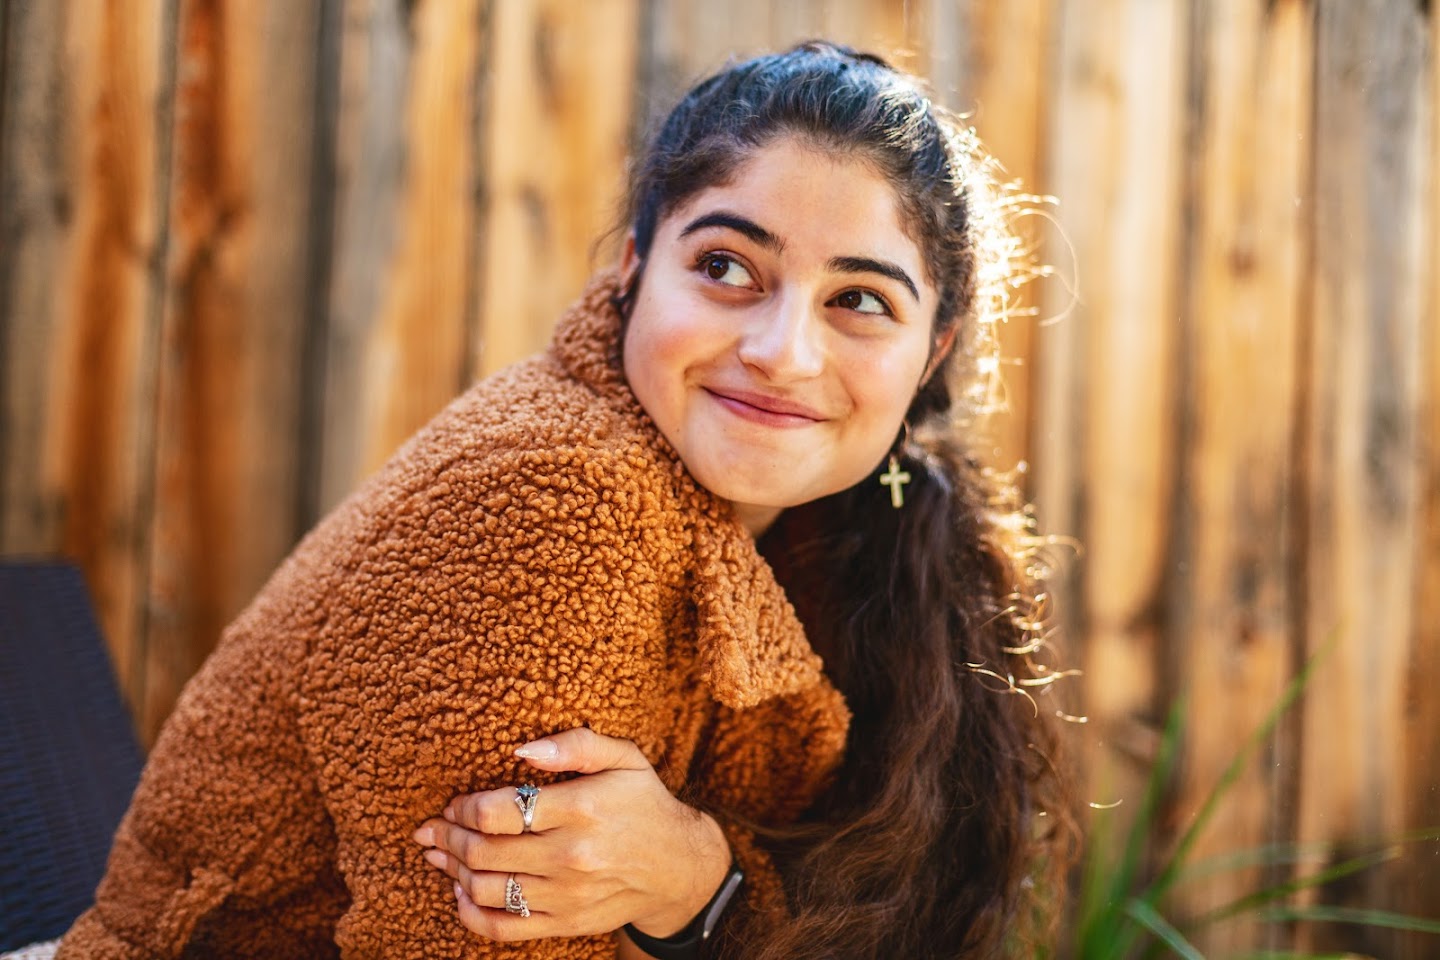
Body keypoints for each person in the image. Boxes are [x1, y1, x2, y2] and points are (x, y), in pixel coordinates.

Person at [58, 41, 1071, 960]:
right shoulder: (556, 497)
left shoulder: (842, 528)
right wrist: (700, 896)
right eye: (726, 267)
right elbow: (470, 939)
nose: (781, 352)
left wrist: (694, 883)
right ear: (634, 269)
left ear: (932, 350)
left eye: (859, 301)